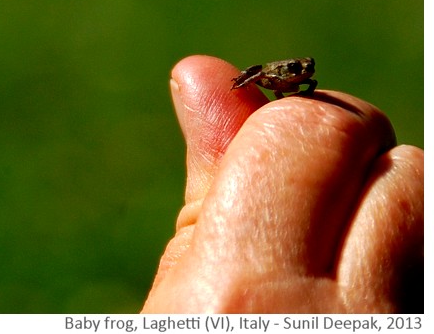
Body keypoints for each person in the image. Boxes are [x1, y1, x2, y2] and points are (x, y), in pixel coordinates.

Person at [142, 55, 423, 313]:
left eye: (307, 67)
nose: (305, 72)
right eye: (298, 68)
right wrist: (246, 81)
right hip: (270, 78)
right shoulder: (276, 75)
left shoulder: (305, 79)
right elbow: (262, 71)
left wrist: (303, 94)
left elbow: (310, 83)